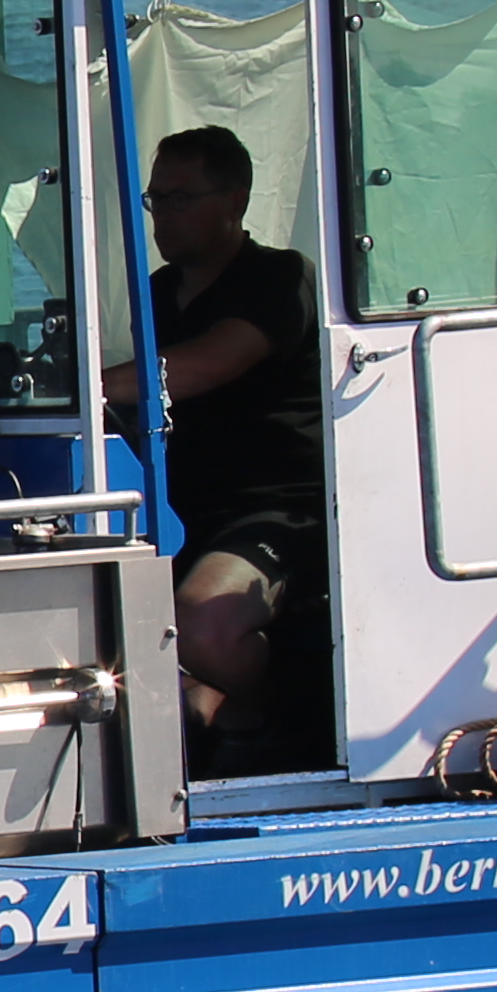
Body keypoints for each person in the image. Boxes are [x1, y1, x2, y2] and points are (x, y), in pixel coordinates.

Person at [140, 124, 324, 753]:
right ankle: (226, 721)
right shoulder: (155, 294)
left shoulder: (279, 278)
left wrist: (91, 387)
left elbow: (205, 365)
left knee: (205, 623)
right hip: (177, 510)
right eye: (155, 199)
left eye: (181, 198)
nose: (163, 216)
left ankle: (294, 729)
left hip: (279, 512)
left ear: (235, 201)